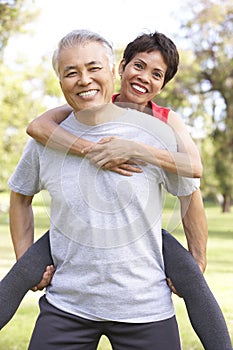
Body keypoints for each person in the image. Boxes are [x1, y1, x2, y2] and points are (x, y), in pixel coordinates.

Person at [1, 30, 232, 349]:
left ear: (110, 70)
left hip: (145, 306)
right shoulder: (55, 130)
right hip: (67, 304)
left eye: (156, 75)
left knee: (195, 285)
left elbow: (191, 185)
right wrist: (26, 258)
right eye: (71, 72)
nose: (84, 80)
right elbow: (27, 166)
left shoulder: (162, 129)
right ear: (122, 68)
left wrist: (198, 260)